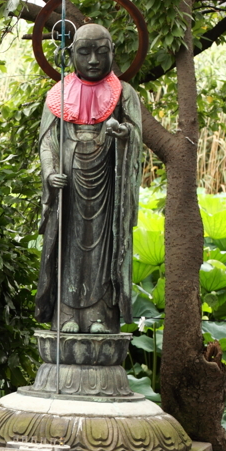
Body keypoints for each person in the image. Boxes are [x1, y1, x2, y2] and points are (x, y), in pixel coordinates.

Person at [36, 23, 142, 335]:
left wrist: (124, 135)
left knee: (103, 248)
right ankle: (66, 314)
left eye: (101, 52)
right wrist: (50, 171)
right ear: (70, 54)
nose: (93, 60)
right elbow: (47, 141)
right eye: (84, 52)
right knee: (67, 248)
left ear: (113, 53)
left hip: (107, 185)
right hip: (68, 188)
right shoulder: (58, 94)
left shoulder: (125, 94)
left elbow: (135, 134)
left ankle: (100, 316)